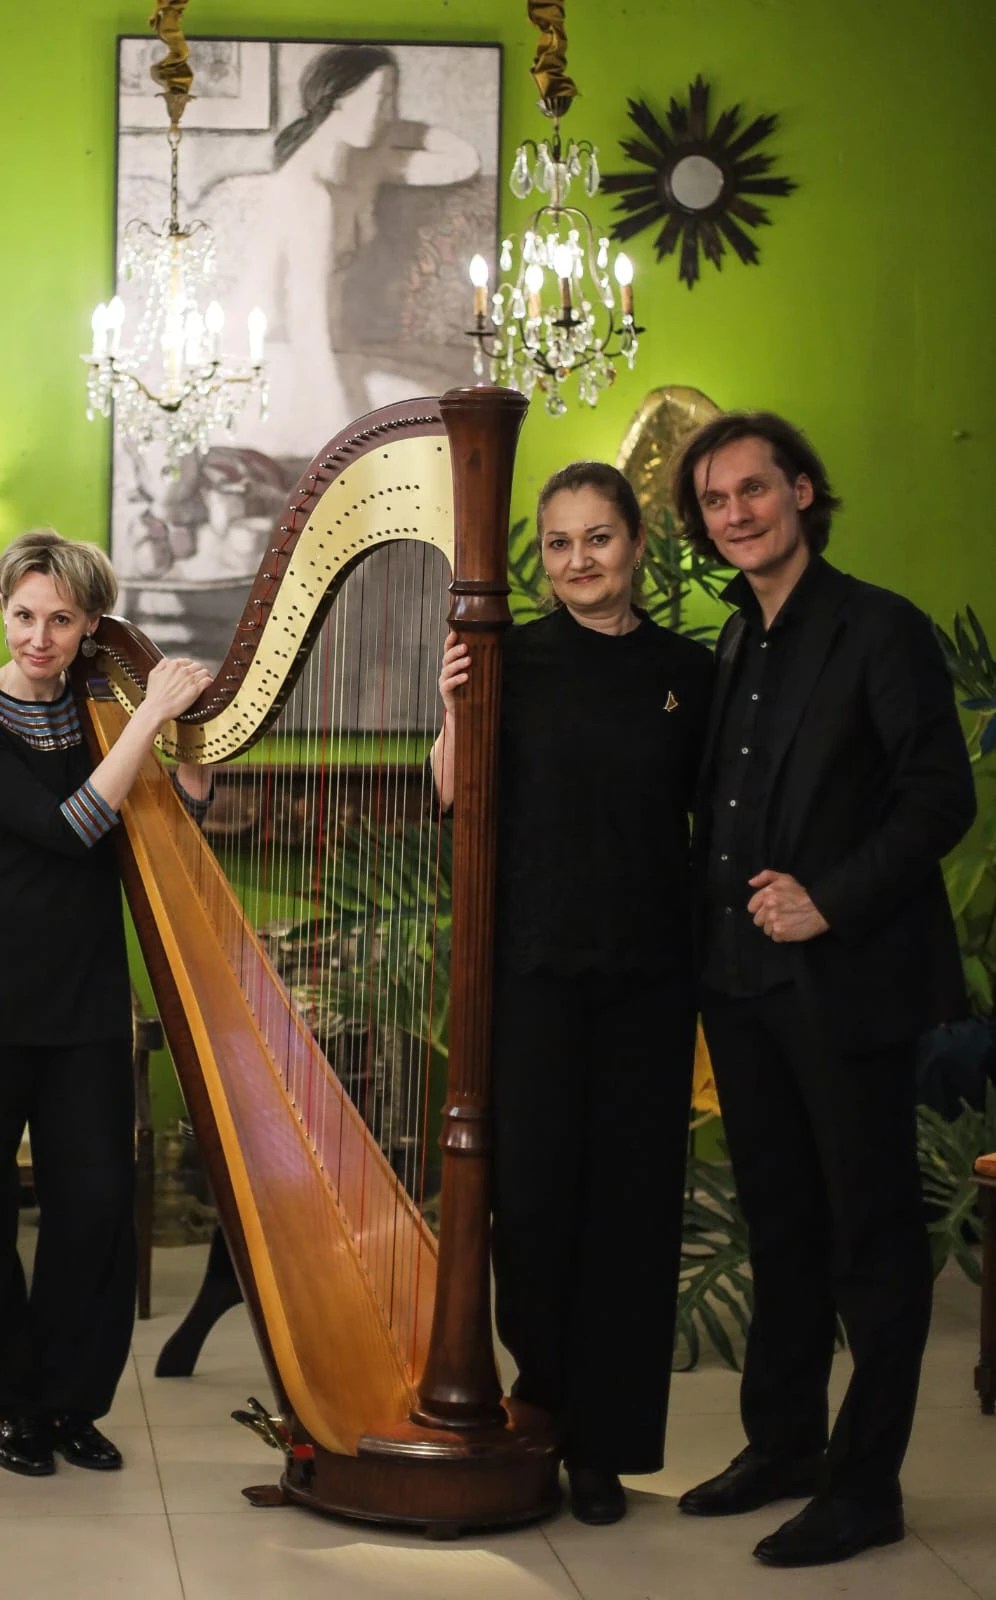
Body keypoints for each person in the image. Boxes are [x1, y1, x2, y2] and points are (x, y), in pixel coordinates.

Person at [673, 413, 976, 1566]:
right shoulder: (734, 640)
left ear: (801, 491)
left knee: (870, 1238)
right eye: (715, 501)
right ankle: (784, 1443)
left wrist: (828, 899)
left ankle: (864, 1488)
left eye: (753, 489)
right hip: (740, 981)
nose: (736, 514)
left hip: (845, 981)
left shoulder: (878, 627)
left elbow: (939, 796)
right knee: (782, 1225)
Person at [431, 461, 713, 1525]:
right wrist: (452, 707)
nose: (579, 559)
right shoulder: (506, 659)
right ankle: (542, 1411)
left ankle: (605, 1451)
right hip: (531, 975)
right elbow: (453, 792)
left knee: (632, 1214)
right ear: (540, 558)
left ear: (635, 542)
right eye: (558, 543)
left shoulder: (690, 672)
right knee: (537, 1209)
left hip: (650, 978)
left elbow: (720, 818)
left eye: (598, 537)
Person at [0, 529, 213, 1478]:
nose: (38, 637)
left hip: (82, 993)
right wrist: (150, 717)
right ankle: (7, 1403)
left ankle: (70, 1401)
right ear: (4, 612)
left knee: (94, 1202)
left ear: (90, 627)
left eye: (61, 619)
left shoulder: (100, 712)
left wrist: (191, 762)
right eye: (23, 615)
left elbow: (157, 824)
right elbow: (70, 826)